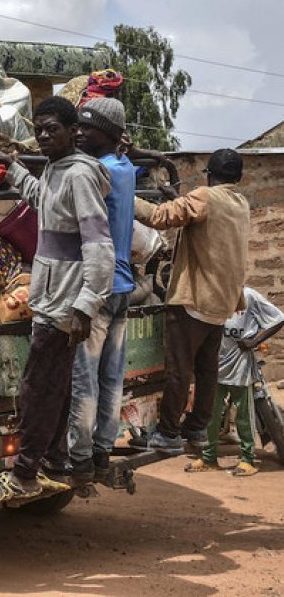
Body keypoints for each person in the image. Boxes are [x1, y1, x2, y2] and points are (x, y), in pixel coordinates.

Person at [0, 96, 115, 502]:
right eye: (38, 130)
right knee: (56, 385)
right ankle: (54, 459)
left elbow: (99, 245)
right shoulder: (57, 170)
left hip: (66, 304)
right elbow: (41, 200)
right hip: (53, 298)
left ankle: (23, 473)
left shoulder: (80, 177)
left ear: (74, 132)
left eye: (51, 128)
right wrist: (10, 165)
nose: (43, 136)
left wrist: (86, 305)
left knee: (39, 387)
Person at [131, 148, 250, 454]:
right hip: (221, 302)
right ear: (238, 177)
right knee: (207, 370)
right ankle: (196, 428)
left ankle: (169, 432)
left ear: (209, 175)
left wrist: (123, 195)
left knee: (178, 369)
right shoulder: (239, 202)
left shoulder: (205, 197)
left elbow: (159, 217)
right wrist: (177, 196)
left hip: (194, 298)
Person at [66, 97, 136, 485]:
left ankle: (79, 455)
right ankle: (102, 450)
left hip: (99, 287)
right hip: (124, 284)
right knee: (112, 374)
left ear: (107, 134)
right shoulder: (123, 168)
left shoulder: (96, 173)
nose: (79, 133)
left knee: (85, 377)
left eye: (86, 128)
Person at [185, 287, 284, 476]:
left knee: (243, 416)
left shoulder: (249, 296)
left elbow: (278, 319)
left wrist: (254, 341)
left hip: (240, 367)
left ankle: (248, 459)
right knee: (210, 415)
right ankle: (208, 457)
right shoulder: (210, 295)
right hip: (214, 366)